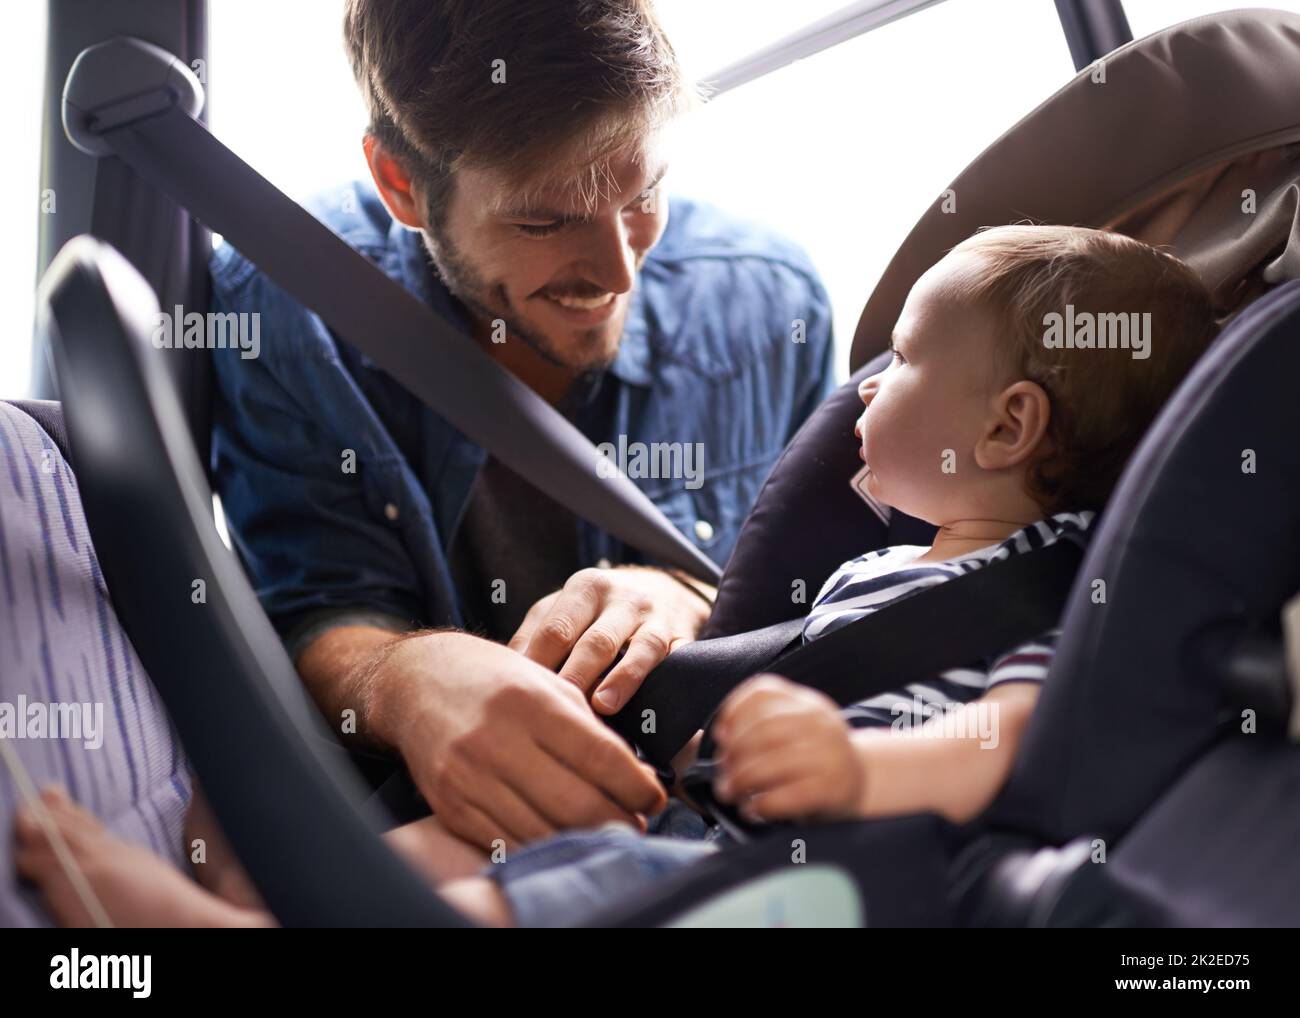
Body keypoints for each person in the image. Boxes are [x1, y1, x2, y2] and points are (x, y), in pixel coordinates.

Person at [17, 223, 1218, 927]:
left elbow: (1018, 730)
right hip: (702, 811)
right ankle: (289, 887)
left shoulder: (1054, 583)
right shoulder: (885, 563)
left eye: (901, 360)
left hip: (818, 870)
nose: (860, 386)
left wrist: (860, 764)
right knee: (473, 839)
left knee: (580, 887)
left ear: (1005, 428)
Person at [209, 0, 836, 850]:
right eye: (544, 220)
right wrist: (408, 679)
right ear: (402, 185)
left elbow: (842, 588)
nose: (618, 268)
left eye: (643, 191)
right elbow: (315, 604)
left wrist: (688, 596)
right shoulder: (287, 312)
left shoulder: (772, 303)